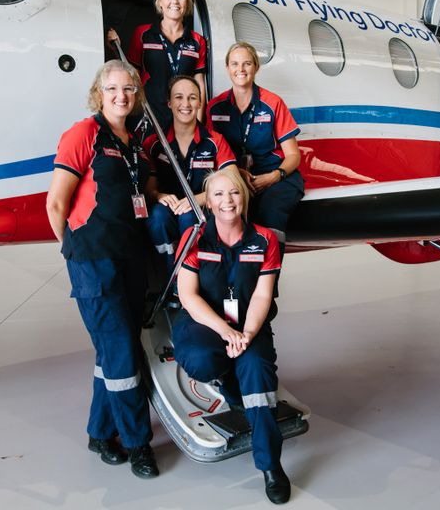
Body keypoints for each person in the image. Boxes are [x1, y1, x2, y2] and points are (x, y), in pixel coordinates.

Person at [45, 60, 160, 479]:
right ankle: (137, 443)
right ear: (99, 92)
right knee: (124, 353)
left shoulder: (134, 143)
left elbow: (145, 193)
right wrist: (74, 250)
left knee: (113, 351)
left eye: (129, 89)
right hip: (94, 261)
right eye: (113, 89)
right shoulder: (83, 135)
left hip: (129, 258)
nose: (121, 95)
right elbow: (56, 204)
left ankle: (98, 432)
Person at [173, 168, 292, 504]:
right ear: (208, 202)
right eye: (219, 195)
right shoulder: (194, 239)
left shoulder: (265, 239)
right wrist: (226, 332)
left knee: (258, 378)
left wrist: (247, 333)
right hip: (205, 322)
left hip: (248, 322)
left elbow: (261, 296)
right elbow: (189, 296)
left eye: (235, 193)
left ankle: (271, 467)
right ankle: (225, 377)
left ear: (245, 196)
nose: (228, 201)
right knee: (200, 359)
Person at [205, 42, 304, 251]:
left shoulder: (273, 103)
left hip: (277, 175)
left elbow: (293, 155)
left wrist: (274, 176)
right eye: (234, 64)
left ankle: (269, 273)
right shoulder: (214, 107)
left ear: (256, 67)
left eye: (247, 64)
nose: (240, 70)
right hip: (236, 176)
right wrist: (235, 172)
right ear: (227, 68)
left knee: (270, 211)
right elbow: (210, 153)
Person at [145, 75, 236, 271]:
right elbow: (148, 189)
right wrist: (159, 196)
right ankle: (170, 276)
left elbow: (233, 181)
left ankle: (187, 278)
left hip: (201, 209)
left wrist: (198, 200)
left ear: (200, 102)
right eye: (179, 97)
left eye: (192, 97)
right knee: (158, 216)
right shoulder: (153, 142)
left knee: (189, 218)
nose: (185, 104)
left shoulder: (215, 140)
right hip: (167, 212)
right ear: (169, 103)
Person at [108, 0, 208, 130]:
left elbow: (199, 84)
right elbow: (130, 75)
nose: (174, 1)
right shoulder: (143, 33)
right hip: (148, 115)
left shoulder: (197, 41)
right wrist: (116, 49)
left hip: (182, 117)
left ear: (187, 3)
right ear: (160, 2)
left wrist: (199, 125)